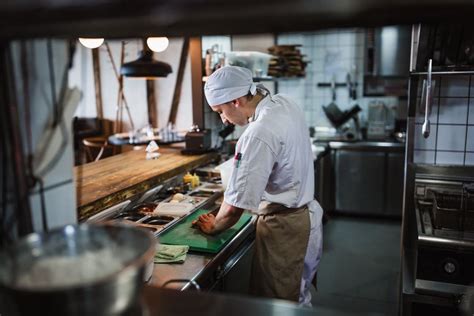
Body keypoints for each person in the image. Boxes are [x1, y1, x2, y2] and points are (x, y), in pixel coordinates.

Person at [192, 66, 323, 306]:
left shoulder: (258, 132)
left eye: (221, 111)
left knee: (279, 305)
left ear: (237, 100)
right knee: (300, 298)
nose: (223, 118)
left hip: (284, 229)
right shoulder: (284, 103)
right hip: (306, 218)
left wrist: (214, 226)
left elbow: (233, 208)